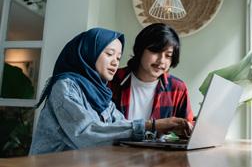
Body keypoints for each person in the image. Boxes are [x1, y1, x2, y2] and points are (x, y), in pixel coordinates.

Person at [29, 28, 189, 155]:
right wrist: (152, 125)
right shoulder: (65, 86)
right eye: (109, 54)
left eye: (118, 57)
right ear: (89, 51)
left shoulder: (100, 91)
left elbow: (119, 123)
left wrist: (160, 127)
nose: (115, 62)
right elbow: (88, 134)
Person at [108, 23, 193, 125]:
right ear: (140, 49)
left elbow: (188, 129)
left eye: (168, 55)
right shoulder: (112, 80)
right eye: (156, 51)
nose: (161, 60)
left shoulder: (178, 89)